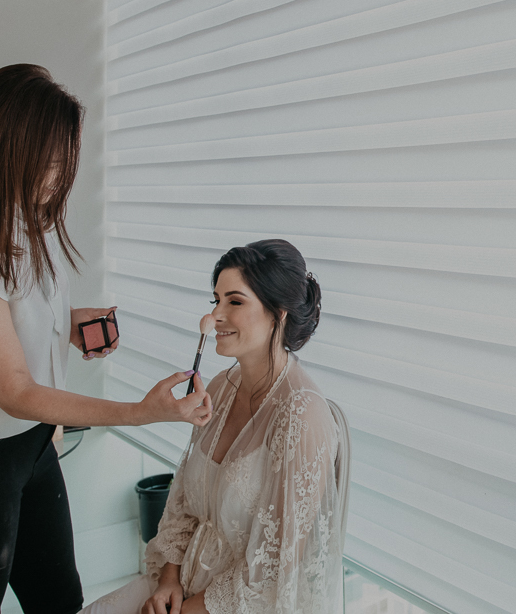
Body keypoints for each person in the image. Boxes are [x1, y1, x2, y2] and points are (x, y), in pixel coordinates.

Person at [0, 64, 214, 614]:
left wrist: (67, 325)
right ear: (8, 150)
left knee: (59, 600)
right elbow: (12, 388)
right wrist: (141, 411)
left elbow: (16, 316)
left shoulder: (18, 225)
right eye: (55, 161)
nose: (63, 176)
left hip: (29, 446)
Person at [82, 239, 350, 614]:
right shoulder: (222, 387)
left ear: (279, 313)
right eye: (215, 300)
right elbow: (183, 503)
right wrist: (169, 579)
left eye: (235, 302)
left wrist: (189, 608)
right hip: (181, 581)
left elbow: (273, 569)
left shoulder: (302, 417)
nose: (214, 316)